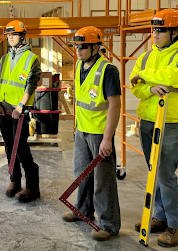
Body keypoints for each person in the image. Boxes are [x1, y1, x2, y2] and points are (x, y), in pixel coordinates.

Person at [130, 8, 178, 247]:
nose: (155, 34)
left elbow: (170, 78)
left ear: (176, 32)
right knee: (154, 171)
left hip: (172, 122)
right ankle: (159, 216)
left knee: (165, 175)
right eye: (154, 29)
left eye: (161, 30)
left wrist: (144, 77)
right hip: (148, 121)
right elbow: (135, 85)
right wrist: (147, 87)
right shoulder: (147, 56)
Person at [61, 26, 121, 241]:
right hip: (82, 131)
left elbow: (115, 106)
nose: (78, 50)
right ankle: (83, 210)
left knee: (102, 180)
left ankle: (109, 223)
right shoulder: (79, 65)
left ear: (96, 46)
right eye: (76, 46)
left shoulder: (108, 70)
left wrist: (107, 138)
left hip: (99, 134)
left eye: (83, 46)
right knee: (82, 173)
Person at [0, 20, 41, 203]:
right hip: (3, 109)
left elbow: (31, 84)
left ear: (22, 36)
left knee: (21, 149)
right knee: (8, 146)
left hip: (19, 111)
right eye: (8, 34)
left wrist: (20, 107)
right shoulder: (5, 59)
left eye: (13, 34)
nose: (10, 37)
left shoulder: (31, 58)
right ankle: (15, 180)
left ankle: (32, 187)